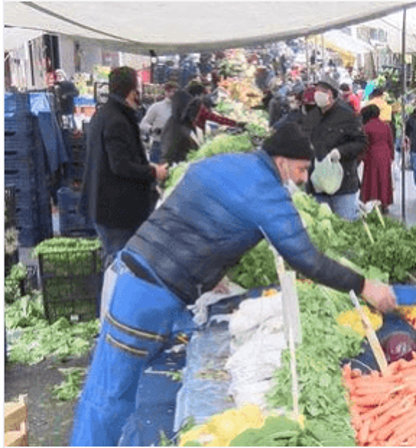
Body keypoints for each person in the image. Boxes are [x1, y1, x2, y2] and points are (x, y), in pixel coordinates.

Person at [69, 123, 397, 446]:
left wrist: (211, 269)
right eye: (301, 169)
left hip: (135, 275)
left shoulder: (224, 163)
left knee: (111, 389)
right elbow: (306, 260)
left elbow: (190, 211)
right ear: (281, 161)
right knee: (109, 395)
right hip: (148, 293)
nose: (302, 178)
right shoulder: (267, 193)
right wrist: (365, 285)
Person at [82, 67, 169, 269]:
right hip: (115, 212)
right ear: (132, 91)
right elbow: (120, 166)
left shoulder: (104, 114)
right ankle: (111, 300)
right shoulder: (117, 120)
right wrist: (153, 172)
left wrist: (148, 166)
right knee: (119, 265)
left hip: (105, 207)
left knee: (116, 261)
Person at [300, 75, 367, 221]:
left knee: (346, 227)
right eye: (317, 90)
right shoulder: (311, 116)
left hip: (343, 185)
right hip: (317, 185)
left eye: (323, 90)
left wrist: (341, 152)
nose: (318, 94)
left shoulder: (347, 115)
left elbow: (361, 143)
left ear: (333, 94)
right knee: (322, 229)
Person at [359, 105, 394, 212]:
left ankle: (371, 201)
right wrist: (392, 156)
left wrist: (361, 157)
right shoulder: (385, 126)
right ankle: (385, 203)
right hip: (385, 154)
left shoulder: (366, 127)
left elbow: (364, 144)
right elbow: (390, 141)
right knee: (384, 179)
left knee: (372, 179)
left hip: (372, 155)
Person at [139, 81, 178, 163]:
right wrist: (152, 129)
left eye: (175, 91)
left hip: (175, 146)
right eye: (171, 91)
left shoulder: (180, 109)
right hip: (158, 145)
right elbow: (143, 124)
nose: (173, 94)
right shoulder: (156, 107)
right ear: (166, 92)